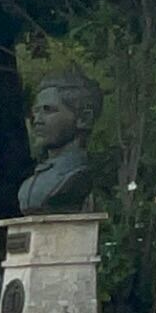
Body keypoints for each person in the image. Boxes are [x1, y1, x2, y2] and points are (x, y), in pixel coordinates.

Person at [13, 70, 104, 213]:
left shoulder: (76, 177)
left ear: (84, 119)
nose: (37, 120)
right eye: (36, 111)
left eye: (48, 110)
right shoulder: (34, 181)